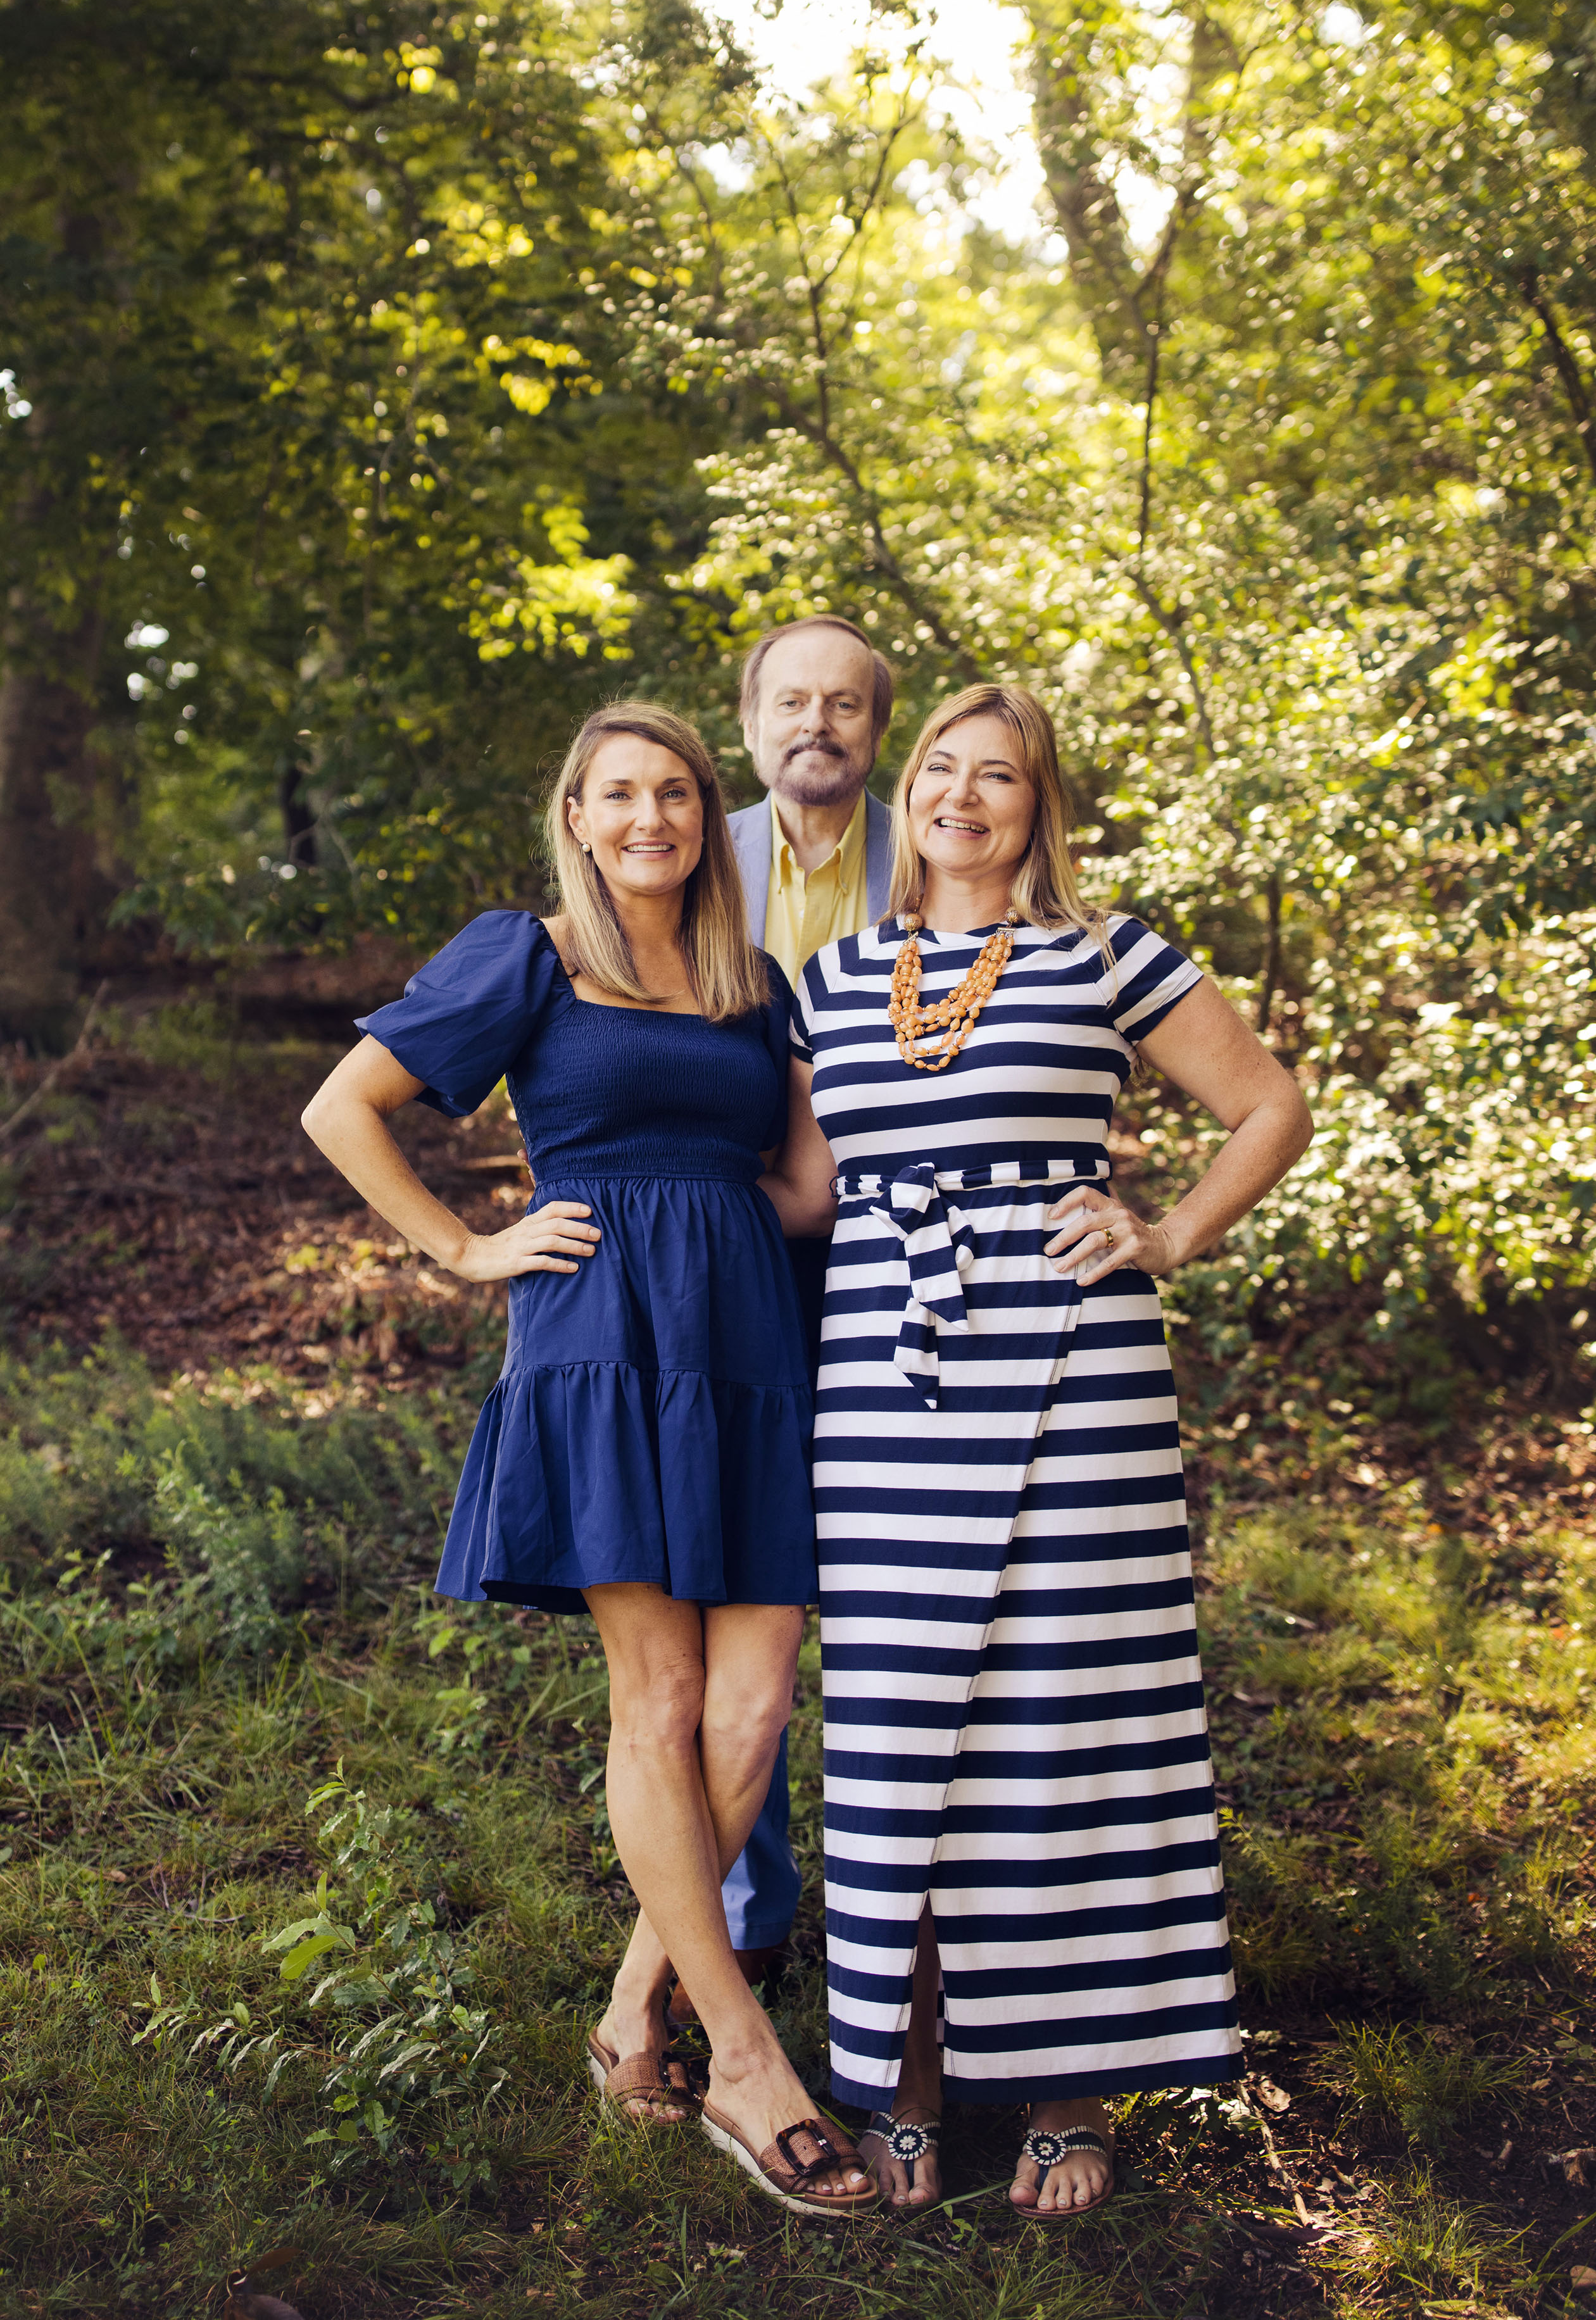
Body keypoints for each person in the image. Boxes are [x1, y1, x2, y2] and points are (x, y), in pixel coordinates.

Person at [299, 702, 874, 2217]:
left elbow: (808, 1185)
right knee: (664, 1698)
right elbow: (342, 1106)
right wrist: (465, 1248)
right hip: (600, 1337)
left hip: (752, 1341)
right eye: (618, 794)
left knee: (752, 1719)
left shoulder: (759, 985)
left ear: (706, 813)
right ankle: (746, 2063)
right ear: (575, 811)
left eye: (674, 794)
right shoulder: (530, 954)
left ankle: (635, 2010)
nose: (649, 820)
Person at [761, 682, 1314, 2219]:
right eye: (939, 766)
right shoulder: (832, 975)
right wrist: (636, 1181)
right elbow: (804, 1194)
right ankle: (911, 2082)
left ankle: (1070, 2091)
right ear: (905, 786)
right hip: (882, 1387)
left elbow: (1268, 1103)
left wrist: (1168, 1230)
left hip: (1075, 1374)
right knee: (893, 1734)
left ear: (1035, 805)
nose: (961, 795)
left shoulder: (1107, 954)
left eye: (996, 776)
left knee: (1066, 1715)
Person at [674, 614, 894, 2011]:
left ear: (879, 727)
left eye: (845, 705)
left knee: (877, 1598)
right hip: (723, 1260)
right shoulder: (685, 854)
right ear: (748, 720)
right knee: (721, 1591)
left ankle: (905, 1897)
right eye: (789, 701)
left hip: (889, 1267)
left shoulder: (937, 850)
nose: (815, 724)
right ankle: (741, 1918)